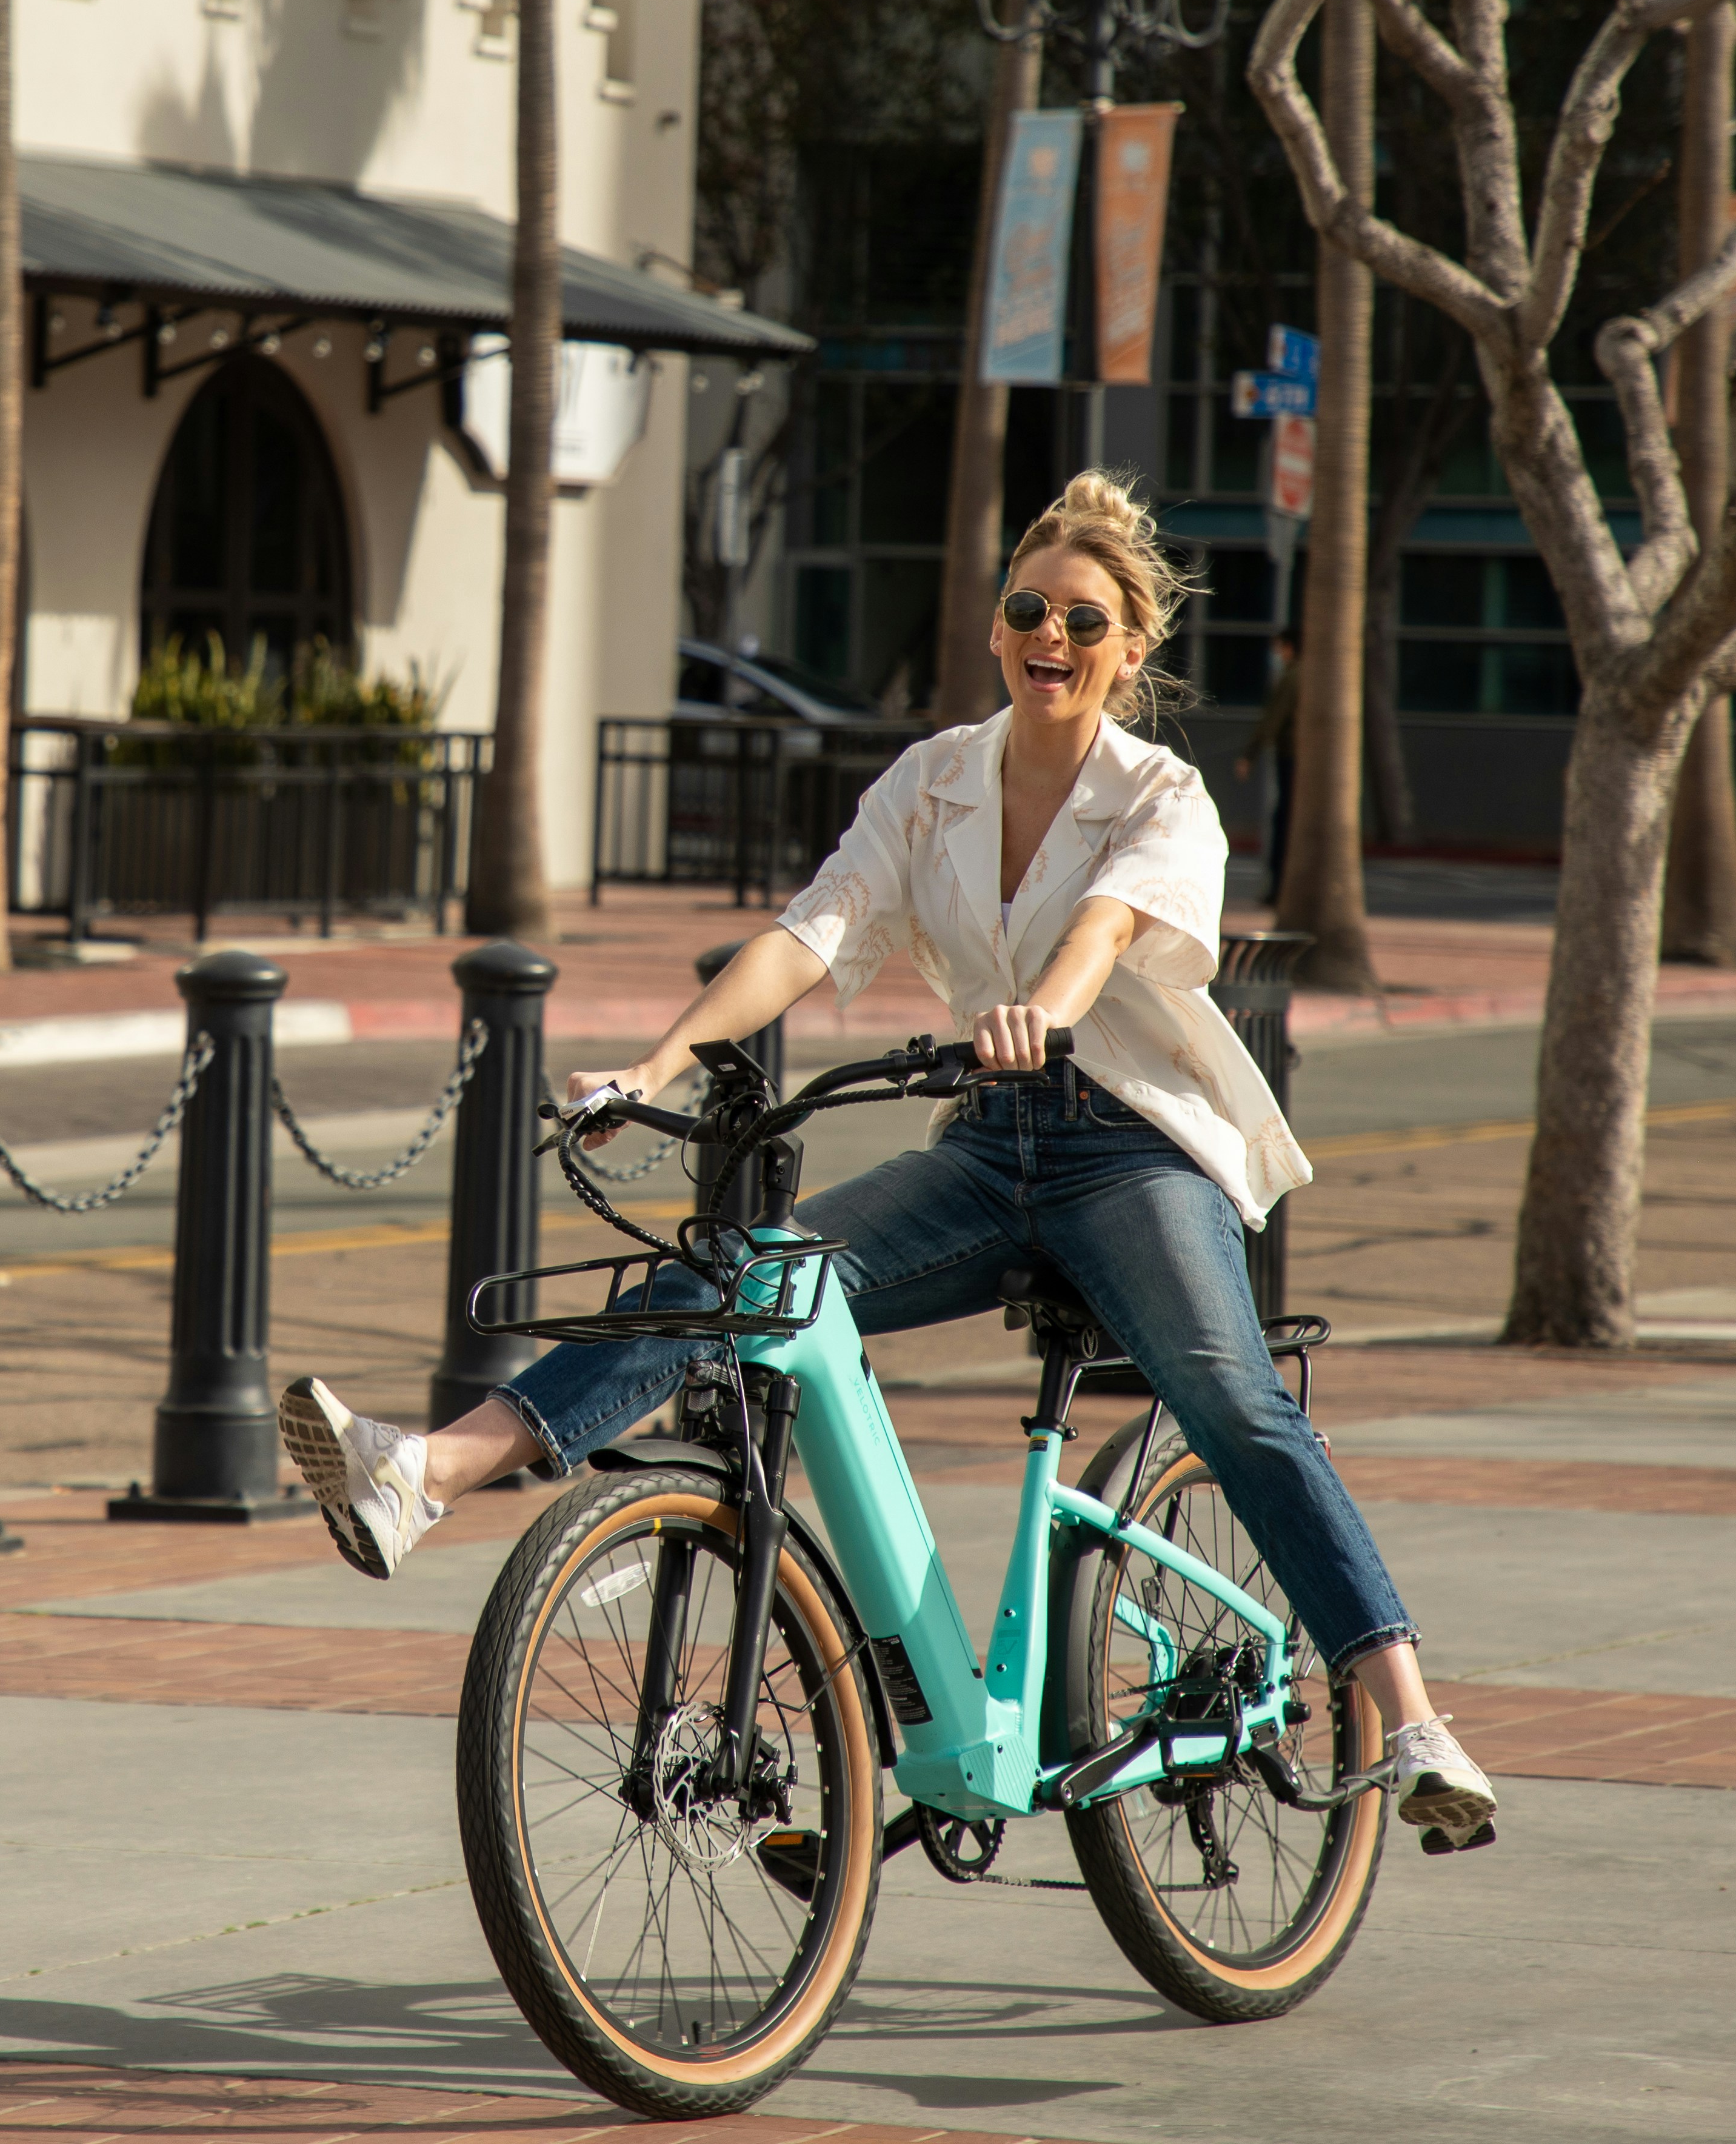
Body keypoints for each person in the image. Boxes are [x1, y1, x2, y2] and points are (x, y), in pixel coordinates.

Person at [280, 471, 1500, 1848]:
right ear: (995, 626)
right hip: (985, 1152)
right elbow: (810, 935)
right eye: (1028, 610)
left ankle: (1413, 1720)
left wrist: (1043, 1007)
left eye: (1084, 622)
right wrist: (653, 1066)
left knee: (1230, 1397)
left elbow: (1104, 931)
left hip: (1133, 1150)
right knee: (742, 1281)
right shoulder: (931, 785)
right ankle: (428, 1473)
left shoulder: (1162, 796)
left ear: (1130, 651)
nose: (1051, 637)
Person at [1232, 627, 1301, 903]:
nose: (1277, 654)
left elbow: (1273, 720)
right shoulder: (1309, 674)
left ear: (1290, 647)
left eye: (1280, 648)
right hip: (1296, 758)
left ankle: (1279, 889)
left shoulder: (1294, 676)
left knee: (1284, 821)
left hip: (1292, 758)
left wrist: (1250, 755)